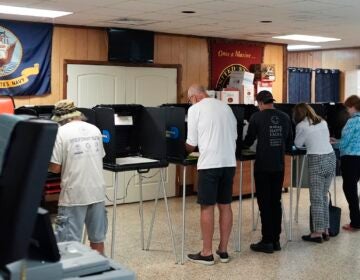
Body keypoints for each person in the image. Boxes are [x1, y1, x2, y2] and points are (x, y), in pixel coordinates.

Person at [185, 84, 237, 265]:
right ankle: (223, 251)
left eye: (189, 99)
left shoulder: (195, 109)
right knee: (225, 205)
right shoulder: (226, 107)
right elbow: (235, 136)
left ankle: (206, 253)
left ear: (194, 97)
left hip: (209, 164)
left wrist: (180, 149)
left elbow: (191, 143)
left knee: (207, 207)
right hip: (229, 162)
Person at [48, 99, 107, 254]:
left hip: (73, 195)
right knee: (97, 239)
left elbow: (55, 168)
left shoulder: (60, 133)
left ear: (60, 119)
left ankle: (72, 276)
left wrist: (41, 160)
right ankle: (99, 274)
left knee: (68, 245)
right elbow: (99, 157)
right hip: (98, 192)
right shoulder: (95, 129)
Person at [244, 90, 292, 253]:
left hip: (263, 166)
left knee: (264, 203)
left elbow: (249, 140)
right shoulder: (285, 117)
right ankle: (276, 240)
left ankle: (267, 241)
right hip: (279, 165)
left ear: (259, 102)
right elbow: (289, 141)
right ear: (272, 101)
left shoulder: (257, 117)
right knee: (275, 202)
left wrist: (238, 146)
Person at [293, 103, 336, 242]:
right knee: (323, 196)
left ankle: (317, 233)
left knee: (316, 198)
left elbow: (298, 144)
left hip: (317, 159)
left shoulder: (301, 126)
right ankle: (326, 230)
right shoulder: (322, 121)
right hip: (331, 157)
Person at [339, 95, 360, 231]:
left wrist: (336, 142)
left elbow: (345, 142)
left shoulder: (352, 122)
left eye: (347, 108)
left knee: (350, 189)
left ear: (352, 106)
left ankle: (356, 222)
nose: (347, 111)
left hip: (351, 159)